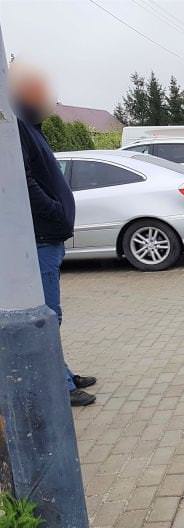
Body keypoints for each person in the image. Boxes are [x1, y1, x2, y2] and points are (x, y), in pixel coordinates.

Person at [10, 62, 96, 407]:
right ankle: (59, 385)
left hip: (49, 236)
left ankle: (64, 373)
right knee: (48, 316)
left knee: (50, 314)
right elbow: (25, 181)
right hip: (42, 237)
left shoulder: (31, 126)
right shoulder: (17, 126)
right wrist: (54, 211)